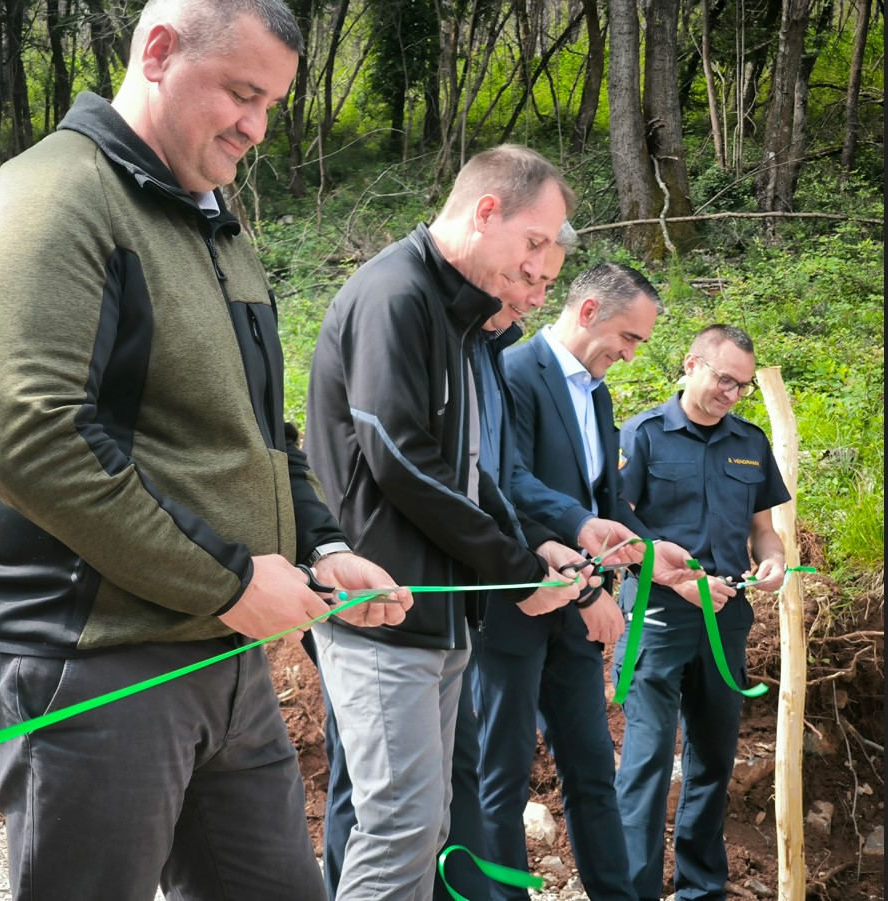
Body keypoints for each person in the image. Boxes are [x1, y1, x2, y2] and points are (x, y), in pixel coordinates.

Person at [0, 2, 410, 899]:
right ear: (157, 52)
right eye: (241, 93)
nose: (256, 127)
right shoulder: (51, 199)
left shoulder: (209, 221)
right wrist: (231, 581)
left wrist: (322, 544)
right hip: (91, 658)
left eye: (270, 104)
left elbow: (256, 432)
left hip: (216, 653)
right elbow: (37, 441)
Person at [303, 145, 594, 901]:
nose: (536, 271)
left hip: (438, 613)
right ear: (485, 210)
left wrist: (530, 549)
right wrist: (516, 570)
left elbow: (470, 472)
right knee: (398, 825)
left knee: (424, 825)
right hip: (381, 607)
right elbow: (401, 457)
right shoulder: (396, 294)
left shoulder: (457, 318)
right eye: (533, 244)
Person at [471, 259, 669, 901]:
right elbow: (506, 483)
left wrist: (650, 552)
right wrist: (585, 559)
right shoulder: (513, 371)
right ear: (587, 312)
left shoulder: (598, 391)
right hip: (516, 600)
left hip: (580, 609)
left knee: (591, 769)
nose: (631, 355)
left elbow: (601, 495)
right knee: (501, 777)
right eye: (629, 337)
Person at [612, 324, 790, 901]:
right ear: (691, 365)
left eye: (742, 385)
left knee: (714, 757)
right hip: (657, 615)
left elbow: (764, 530)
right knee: (647, 761)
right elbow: (617, 531)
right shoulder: (641, 434)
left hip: (727, 617)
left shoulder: (750, 442)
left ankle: (700, 888)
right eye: (723, 379)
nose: (731, 394)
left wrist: (773, 560)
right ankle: (634, 890)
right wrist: (681, 582)